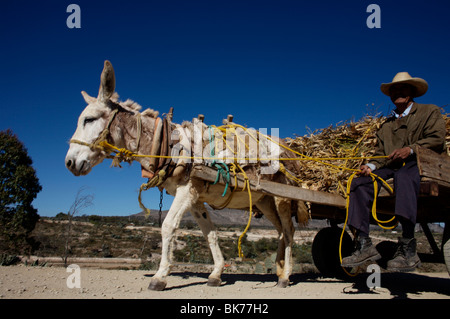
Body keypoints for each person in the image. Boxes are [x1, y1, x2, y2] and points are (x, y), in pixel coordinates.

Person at [341, 72, 447, 272]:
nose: (398, 93)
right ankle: (364, 244)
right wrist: (370, 167)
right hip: (391, 167)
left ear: (412, 92)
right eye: (394, 90)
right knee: (359, 183)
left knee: (404, 177)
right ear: (390, 96)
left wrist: (411, 149)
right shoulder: (386, 126)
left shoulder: (429, 112)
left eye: (403, 88)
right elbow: (381, 154)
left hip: (422, 163)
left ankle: (408, 246)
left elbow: (437, 139)